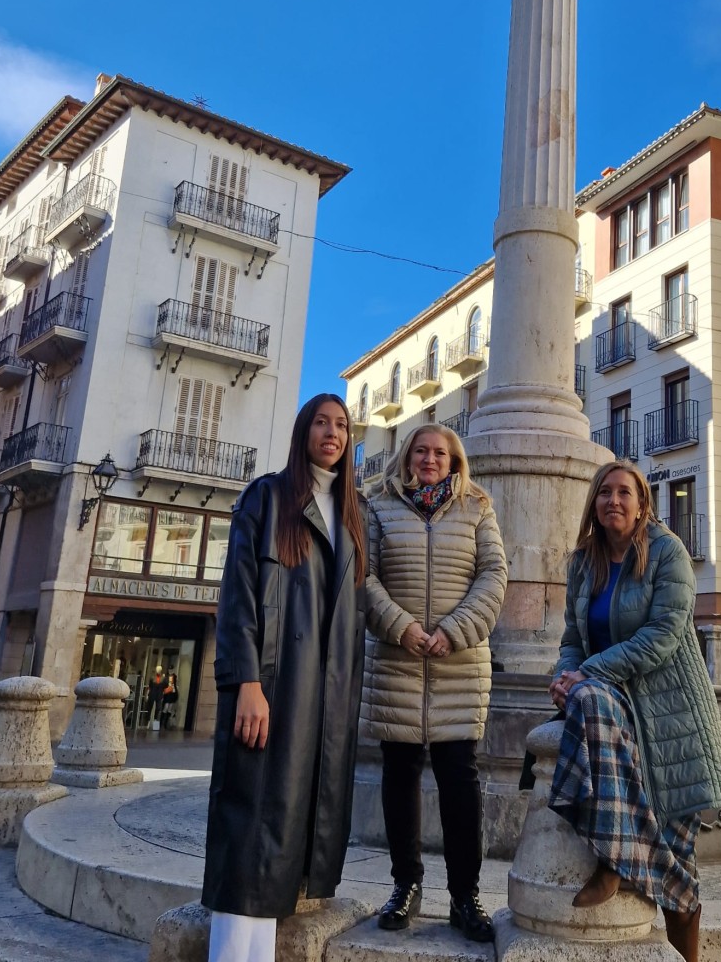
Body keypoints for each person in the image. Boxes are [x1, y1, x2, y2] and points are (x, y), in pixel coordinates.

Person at [548, 460, 721, 962]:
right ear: (594, 502)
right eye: (605, 492)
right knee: (586, 698)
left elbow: (662, 635)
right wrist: (565, 676)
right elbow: (572, 637)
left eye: (624, 493)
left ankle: (624, 865)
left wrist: (586, 673)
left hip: (667, 708)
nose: (614, 500)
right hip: (611, 694)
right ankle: (615, 854)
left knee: (678, 849)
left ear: (641, 503)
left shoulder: (665, 552)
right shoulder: (583, 562)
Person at [202, 394, 367, 962]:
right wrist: (246, 681)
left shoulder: (352, 516)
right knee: (250, 818)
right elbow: (238, 597)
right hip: (271, 686)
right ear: (303, 433)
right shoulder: (267, 498)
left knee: (283, 829)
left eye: (342, 425)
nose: (333, 432)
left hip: (322, 698)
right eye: (322, 422)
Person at [362, 424, 507, 943]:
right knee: (399, 776)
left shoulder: (478, 508)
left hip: (458, 663)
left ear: (454, 461)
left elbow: (494, 575)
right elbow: (365, 576)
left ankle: (465, 897)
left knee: (459, 780)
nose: (429, 459)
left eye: (439, 453)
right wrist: (402, 628)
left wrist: (452, 631)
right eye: (421, 451)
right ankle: (405, 886)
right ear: (407, 457)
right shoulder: (378, 506)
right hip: (397, 661)